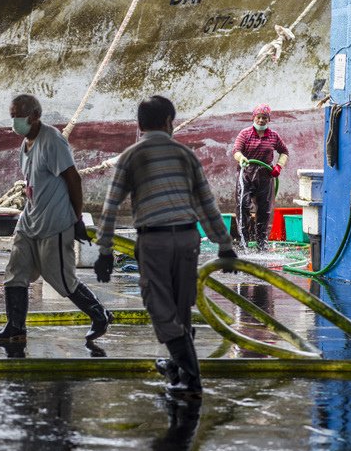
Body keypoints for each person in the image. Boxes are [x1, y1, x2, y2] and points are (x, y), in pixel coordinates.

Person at [93, 95, 237, 395]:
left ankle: (190, 375)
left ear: (139, 124)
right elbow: (206, 203)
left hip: (154, 240)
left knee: (159, 306)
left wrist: (105, 251)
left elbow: (110, 207)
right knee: (181, 307)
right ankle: (178, 367)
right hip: (187, 238)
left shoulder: (130, 156)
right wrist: (224, 244)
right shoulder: (185, 155)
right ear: (169, 122)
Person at [0, 93, 109, 346]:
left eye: (18, 117)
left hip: (54, 222)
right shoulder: (25, 144)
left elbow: (73, 179)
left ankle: (99, 315)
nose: (14, 123)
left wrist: (76, 218)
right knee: (15, 272)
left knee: (61, 280)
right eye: (12, 117)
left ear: (34, 116)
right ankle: (15, 327)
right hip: (30, 220)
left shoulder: (52, 140)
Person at [232, 104, 289, 250]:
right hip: (246, 174)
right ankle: (243, 242)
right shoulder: (245, 134)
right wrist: (241, 158)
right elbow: (236, 150)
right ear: (254, 117)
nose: (261, 120)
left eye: (264, 118)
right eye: (259, 117)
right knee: (243, 206)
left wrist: (278, 166)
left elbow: (284, 152)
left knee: (264, 210)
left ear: (268, 119)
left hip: (265, 175)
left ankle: (261, 243)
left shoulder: (273, 136)